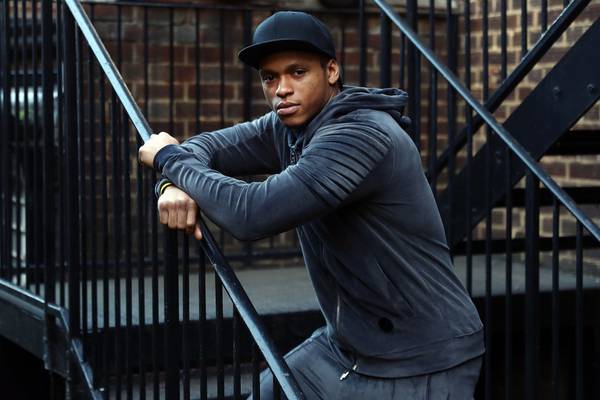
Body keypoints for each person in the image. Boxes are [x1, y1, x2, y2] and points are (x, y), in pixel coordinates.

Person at [139, 11, 484, 399]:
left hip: (425, 360)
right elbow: (203, 149)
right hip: (346, 349)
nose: (282, 89)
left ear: (332, 71)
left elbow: (252, 213)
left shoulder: (361, 135)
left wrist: (167, 160)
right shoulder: (287, 127)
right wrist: (170, 183)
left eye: (297, 72)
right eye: (270, 77)